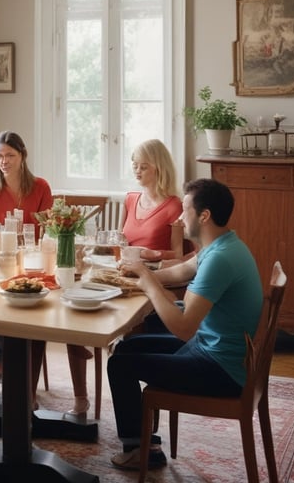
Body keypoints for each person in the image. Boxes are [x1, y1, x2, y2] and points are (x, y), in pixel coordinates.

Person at [106, 178, 263, 471]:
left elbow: (184, 328)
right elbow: (181, 270)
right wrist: (138, 273)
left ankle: (143, 451)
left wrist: (148, 283)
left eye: (185, 210)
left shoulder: (221, 259)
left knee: (119, 365)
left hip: (220, 369)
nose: (179, 217)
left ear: (204, 216)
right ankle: (144, 440)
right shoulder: (223, 245)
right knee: (125, 348)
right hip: (215, 348)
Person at [65, 139, 186, 417]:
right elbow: (118, 242)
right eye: (134, 165)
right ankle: (80, 396)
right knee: (73, 306)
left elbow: (179, 255)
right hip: (124, 274)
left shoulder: (173, 205)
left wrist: (149, 254)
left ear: (159, 169)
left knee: (124, 329)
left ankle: (140, 407)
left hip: (152, 279)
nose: (137, 170)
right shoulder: (131, 199)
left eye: (144, 166)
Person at [0, 130, 53, 384]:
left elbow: (48, 230)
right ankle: (2, 368)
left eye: (10, 155)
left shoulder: (40, 187)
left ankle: (22, 380)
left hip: (33, 264)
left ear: (23, 156)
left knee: (35, 317)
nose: (4, 161)